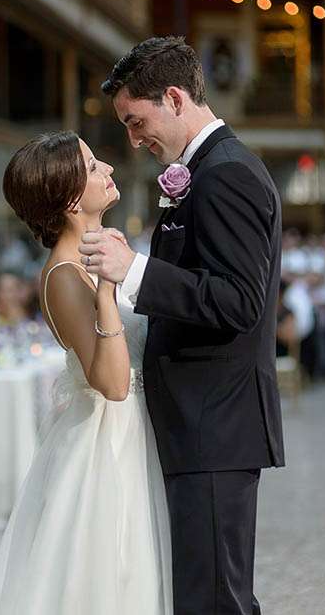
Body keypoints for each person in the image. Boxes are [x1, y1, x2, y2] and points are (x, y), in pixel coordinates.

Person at [80, 37, 284, 614]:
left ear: (174, 97)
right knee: (203, 593)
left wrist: (136, 270)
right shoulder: (206, 170)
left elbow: (240, 301)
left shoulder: (226, 174)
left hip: (215, 423)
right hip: (203, 423)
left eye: (136, 120)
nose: (133, 139)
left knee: (215, 600)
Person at [0, 131, 171, 614]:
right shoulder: (65, 275)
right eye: (92, 165)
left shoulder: (93, 254)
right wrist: (108, 291)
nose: (106, 167)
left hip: (133, 432)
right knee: (104, 576)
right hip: (105, 441)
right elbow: (111, 383)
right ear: (69, 198)